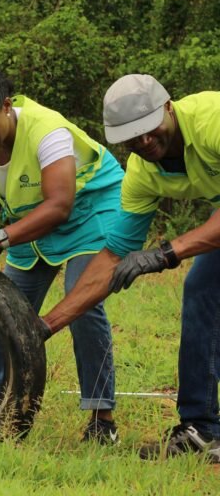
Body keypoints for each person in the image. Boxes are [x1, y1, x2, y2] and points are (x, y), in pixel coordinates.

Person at [44, 74, 220, 462]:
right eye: (130, 136)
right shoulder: (142, 174)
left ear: (169, 108)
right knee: (202, 291)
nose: (142, 142)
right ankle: (201, 430)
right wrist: (44, 327)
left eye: (147, 128)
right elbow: (109, 258)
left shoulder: (212, 121)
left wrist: (164, 253)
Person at [0, 67, 124, 443]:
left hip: (89, 210)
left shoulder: (48, 131)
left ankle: (101, 419)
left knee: (82, 302)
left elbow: (60, 204)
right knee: (7, 307)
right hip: (30, 218)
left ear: (7, 107)